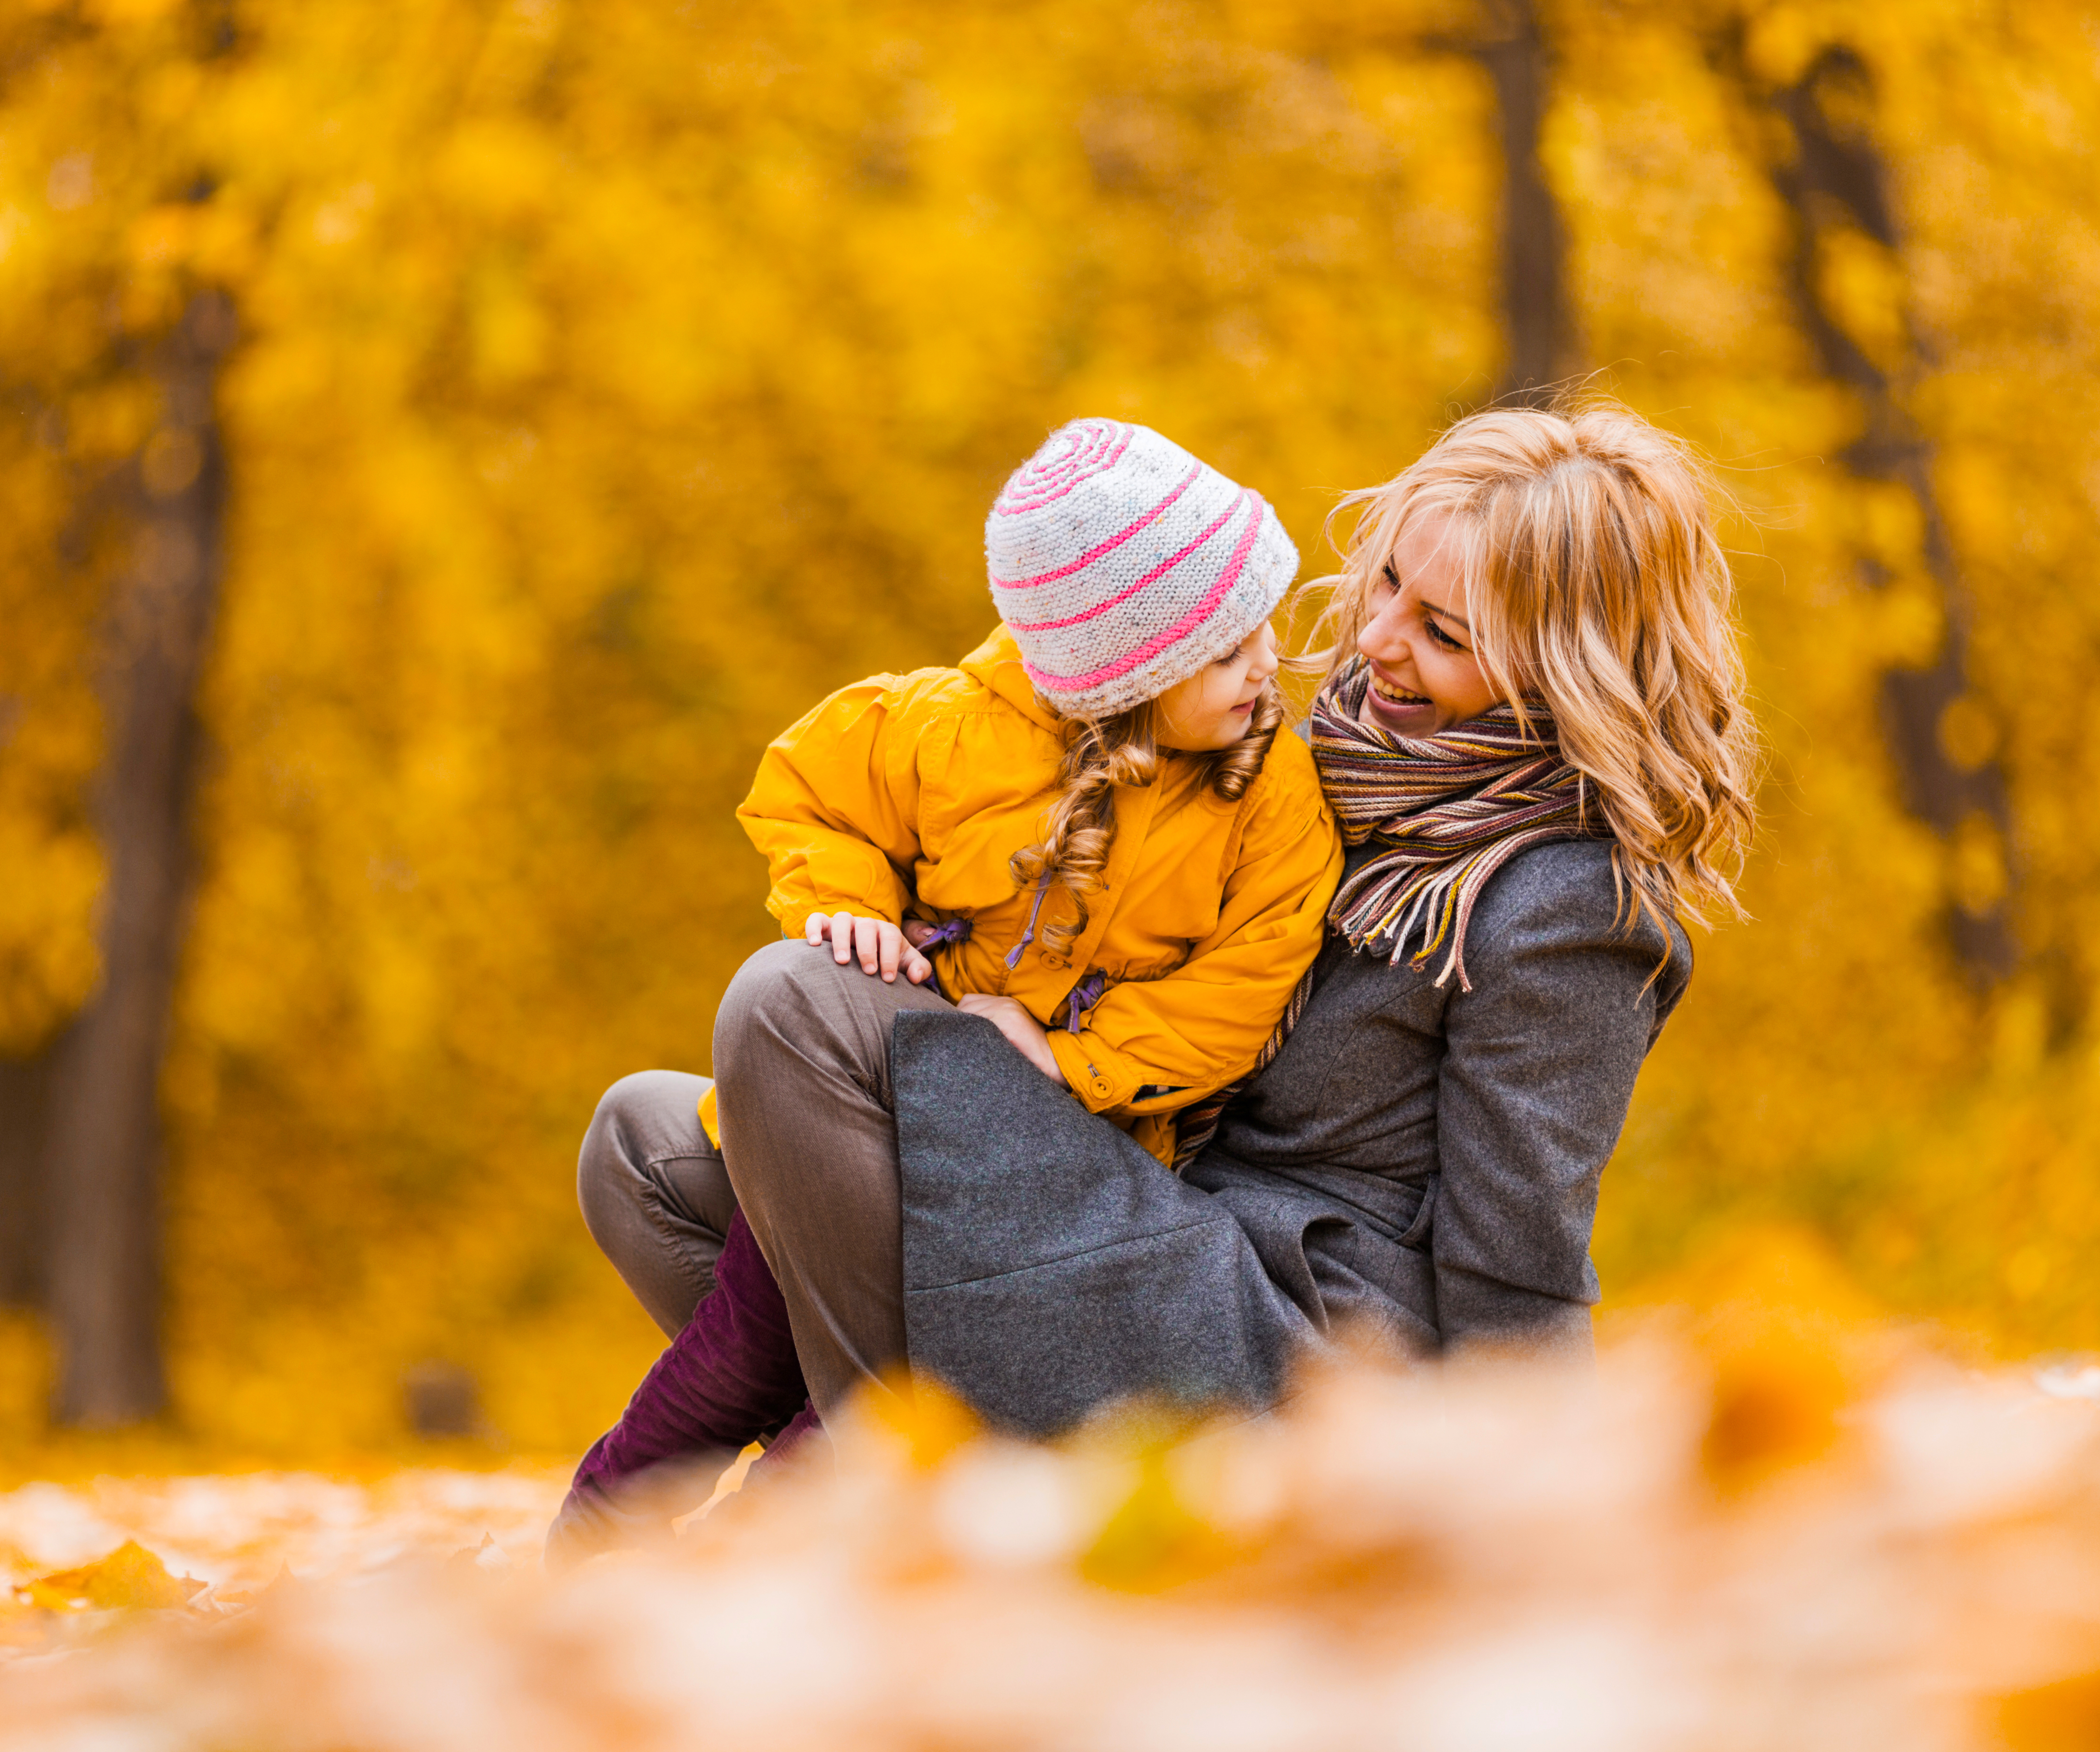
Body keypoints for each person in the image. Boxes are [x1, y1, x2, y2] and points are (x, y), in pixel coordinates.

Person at [570, 398, 1760, 1466]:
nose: (1380, 639)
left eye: (1446, 635)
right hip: (1123, 1192)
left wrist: (1533, 1517)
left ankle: (886, 1503)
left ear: (1565, 675)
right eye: (1389, 582)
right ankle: (943, 1477)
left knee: (795, 1006)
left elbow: (1519, 1260)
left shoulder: (1566, 908)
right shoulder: (1292, 747)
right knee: (648, 1148)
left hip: (1271, 1333)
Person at [548, 419, 1348, 1559]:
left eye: (1261, 628)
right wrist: (851, 907)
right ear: (1124, 675)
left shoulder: (1267, 797)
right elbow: (809, 795)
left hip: (1058, 1159)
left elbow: (1242, 990)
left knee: (777, 1007)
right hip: (905, 1120)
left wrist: (1065, 1057)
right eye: (1225, 652)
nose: (1266, 664)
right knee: (634, 1136)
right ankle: (854, 1413)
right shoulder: (946, 731)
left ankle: (857, 1473)